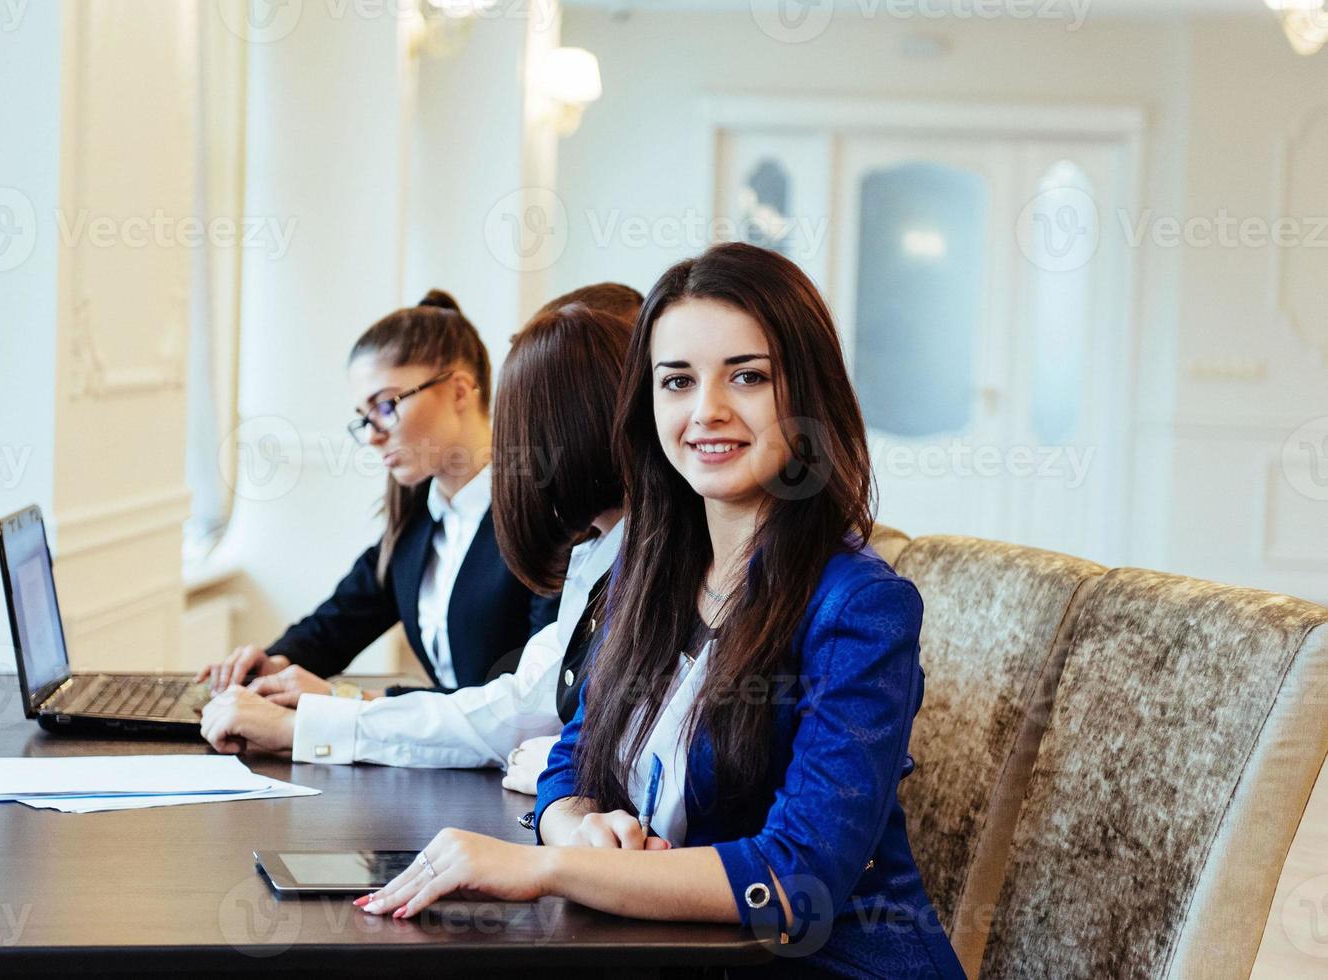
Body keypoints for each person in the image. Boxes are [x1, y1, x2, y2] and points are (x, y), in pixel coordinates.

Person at [356, 245, 966, 979]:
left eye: (747, 376)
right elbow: (569, 760)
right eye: (677, 381)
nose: (706, 410)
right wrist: (579, 826)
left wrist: (550, 869)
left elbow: (793, 878)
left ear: (806, 395)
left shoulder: (860, 606)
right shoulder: (649, 575)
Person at [201, 286, 642, 789]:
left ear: (459, 390)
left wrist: (336, 709)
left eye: (386, 406)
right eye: (364, 418)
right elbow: (344, 615)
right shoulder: (420, 517)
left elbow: (519, 706)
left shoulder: (565, 524)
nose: (372, 434)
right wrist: (271, 668)